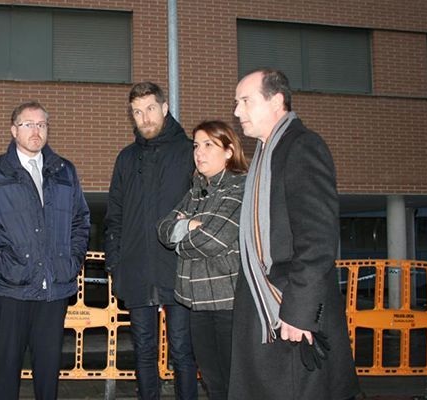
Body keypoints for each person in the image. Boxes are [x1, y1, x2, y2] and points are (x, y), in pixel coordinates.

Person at [230, 68, 359, 399]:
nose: (237, 111)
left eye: (246, 101)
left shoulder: (302, 147)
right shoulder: (264, 154)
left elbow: (317, 240)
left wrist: (300, 314)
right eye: (236, 103)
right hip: (268, 312)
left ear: (276, 101)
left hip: (290, 316)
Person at [0, 101, 90, 400]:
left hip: (54, 288)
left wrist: (71, 262)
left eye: (41, 124)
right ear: (14, 130)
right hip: (11, 287)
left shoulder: (64, 170)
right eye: (28, 124)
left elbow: (80, 221)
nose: (35, 130)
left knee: (49, 370)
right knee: (7, 368)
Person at [104, 82, 198, 399]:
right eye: (137, 112)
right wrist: (116, 266)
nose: (144, 118)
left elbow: (202, 210)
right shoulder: (126, 159)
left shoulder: (189, 153)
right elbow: (113, 216)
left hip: (179, 272)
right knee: (143, 353)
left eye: (150, 109)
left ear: (165, 108)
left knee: (183, 351)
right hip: (137, 273)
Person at [157, 120, 248, 399]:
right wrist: (192, 226)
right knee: (212, 382)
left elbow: (213, 240)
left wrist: (183, 231)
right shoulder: (195, 190)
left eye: (209, 145)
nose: (199, 152)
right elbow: (162, 229)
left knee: (235, 382)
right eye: (196, 145)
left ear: (229, 151)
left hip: (227, 302)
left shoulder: (238, 187)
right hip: (195, 302)